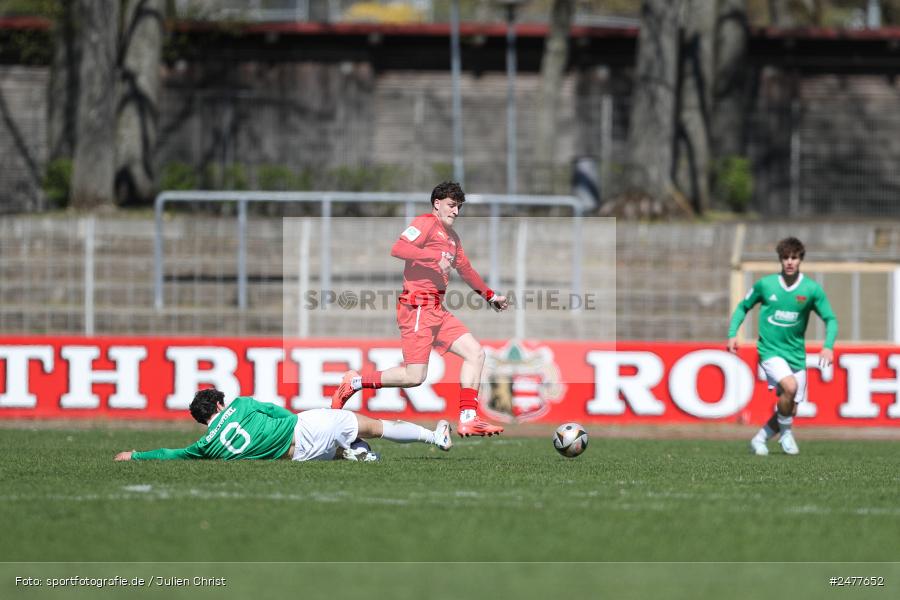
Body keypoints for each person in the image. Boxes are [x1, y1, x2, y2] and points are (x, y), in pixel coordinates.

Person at [331, 181, 509, 437]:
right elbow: (399, 248)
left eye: (458, 207)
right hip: (417, 307)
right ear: (437, 204)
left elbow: (466, 270)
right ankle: (354, 382)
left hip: (437, 309)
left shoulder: (452, 239)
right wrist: (433, 257)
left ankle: (468, 418)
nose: (456, 212)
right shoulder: (426, 223)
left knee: (476, 353)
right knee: (415, 376)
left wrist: (490, 296)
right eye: (451, 205)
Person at [114, 388, 451, 462]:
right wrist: (305, 423)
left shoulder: (204, 448)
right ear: (219, 404)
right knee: (376, 426)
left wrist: (136, 456)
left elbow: (172, 454)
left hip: (298, 455)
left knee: (342, 449)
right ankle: (435, 437)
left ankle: (354, 454)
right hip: (304, 428)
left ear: (203, 420)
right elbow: (278, 413)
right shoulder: (241, 404)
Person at [726, 237, 838, 456]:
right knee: (790, 387)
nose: (789, 262)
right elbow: (743, 307)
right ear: (780, 259)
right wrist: (732, 334)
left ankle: (759, 439)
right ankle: (786, 435)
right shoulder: (765, 285)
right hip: (770, 351)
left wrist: (828, 346)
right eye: (785, 257)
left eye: (794, 258)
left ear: (800, 260)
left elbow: (830, 319)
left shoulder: (811, 289)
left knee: (790, 406)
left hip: (796, 354)